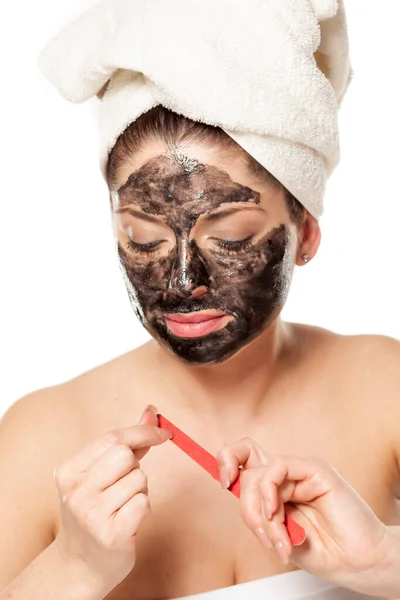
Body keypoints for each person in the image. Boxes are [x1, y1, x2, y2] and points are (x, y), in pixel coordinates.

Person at [1, 1, 400, 599]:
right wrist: (73, 568)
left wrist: (384, 564)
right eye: (145, 237)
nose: (183, 280)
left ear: (306, 233)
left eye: (232, 237)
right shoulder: (39, 436)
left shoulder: (383, 388)